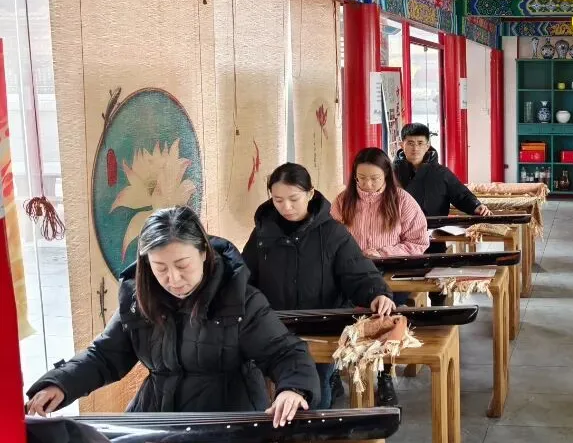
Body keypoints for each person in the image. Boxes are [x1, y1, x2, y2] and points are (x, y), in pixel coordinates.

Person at [25, 206, 318, 427]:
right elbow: (104, 356)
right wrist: (60, 383)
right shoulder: (139, 299)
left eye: (182, 265)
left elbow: (285, 352)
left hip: (227, 421)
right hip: (158, 419)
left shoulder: (239, 298)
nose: (173, 279)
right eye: (160, 268)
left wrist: (293, 389)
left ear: (203, 253)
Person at [242, 162, 395, 410]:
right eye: (278, 200)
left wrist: (377, 293)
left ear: (310, 193)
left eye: (294, 199)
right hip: (275, 328)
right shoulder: (262, 234)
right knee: (276, 393)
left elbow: (358, 271)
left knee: (317, 391)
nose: (286, 207)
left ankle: (317, 429)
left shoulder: (332, 233)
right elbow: (245, 278)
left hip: (322, 327)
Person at [332, 147, 429, 406]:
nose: (367, 184)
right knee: (333, 304)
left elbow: (418, 241)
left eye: (374, 179)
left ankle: (385, 374)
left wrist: (383, 252)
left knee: (385, 312)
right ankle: (333, 371)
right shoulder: (343, 201)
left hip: (390, 272)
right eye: (361, 178)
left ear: (386, 175)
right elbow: (330, 239)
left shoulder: (402, 200)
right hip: (350, 273)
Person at [394, 123, 491, 306]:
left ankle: (439, 313)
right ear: (402, 145)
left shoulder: (441, 173)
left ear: (428, 145)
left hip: (433, 236)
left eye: (420, 143)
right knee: (399, 282)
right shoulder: (390, 173)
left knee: (437, 284)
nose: (415, 148)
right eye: (410, 143)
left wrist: (477, 206)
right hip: (399, 238)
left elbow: (461, 195)